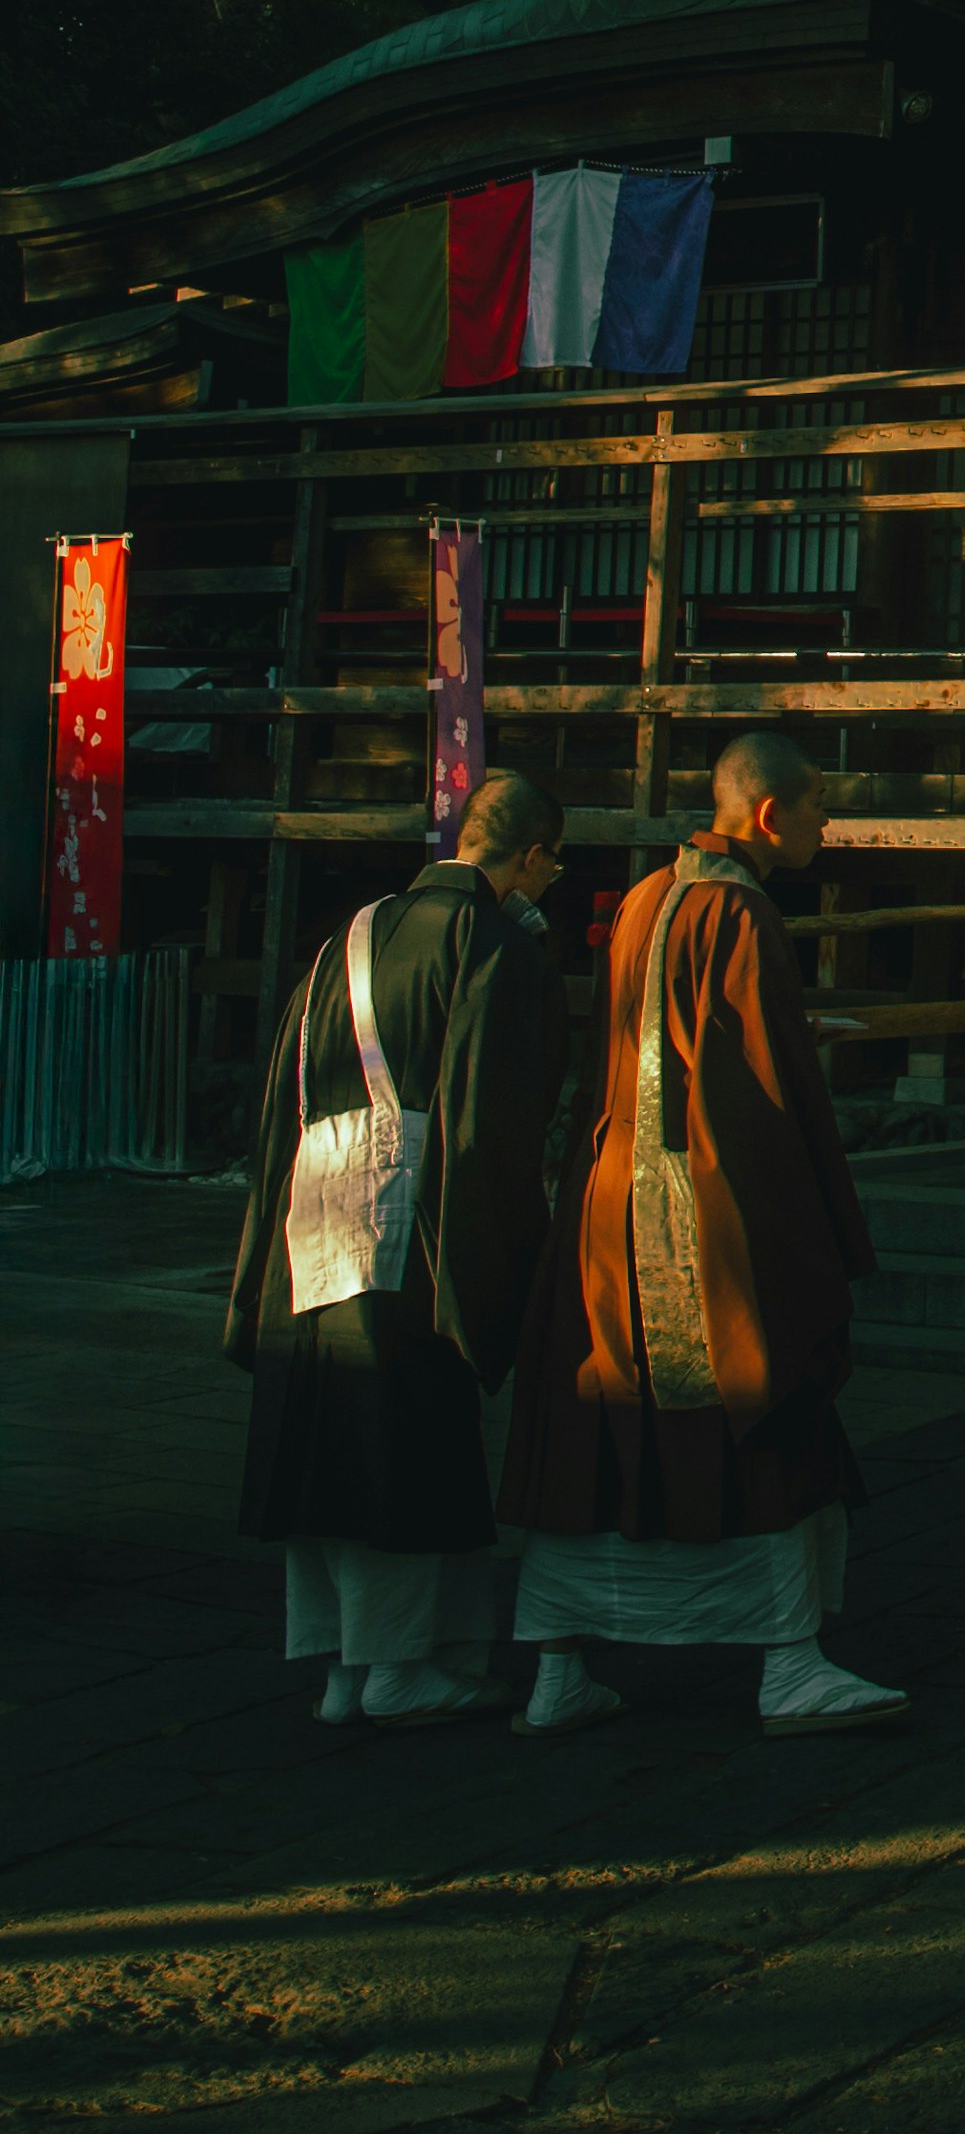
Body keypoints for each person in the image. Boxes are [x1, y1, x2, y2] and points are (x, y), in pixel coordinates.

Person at [502, 724, 902, 1738]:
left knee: (600, 1421)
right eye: (818, 806)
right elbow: (763, 1089)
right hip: (713, 1202)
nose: (825, 823)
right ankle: (789, 1661)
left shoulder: (647, 897)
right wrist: (819, 1225)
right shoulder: (742, 913)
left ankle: (557, 1664)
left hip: (615, 1198)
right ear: (769, 813)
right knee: (758, 1394)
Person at [226, 770, 569, 1729]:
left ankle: (342, 1667)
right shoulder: (489, 941)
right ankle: (400, 1666)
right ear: (533, 855)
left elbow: (280, 1090)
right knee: (403, 1434)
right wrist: (506, 1266)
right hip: (416, 1217)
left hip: (312, 1204)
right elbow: (492, 1124)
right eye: (551, 867)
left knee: (325, 1432)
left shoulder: (354, 929)